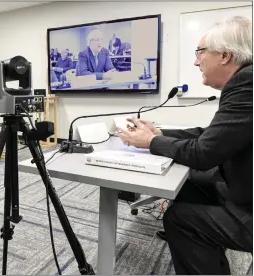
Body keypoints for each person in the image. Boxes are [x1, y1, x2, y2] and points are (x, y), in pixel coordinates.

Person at [116, 16, 252, 274]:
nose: (195, 61)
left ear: (224, 55)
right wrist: (160, 132)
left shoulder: (247, 84)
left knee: (179, 220)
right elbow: (210, 135)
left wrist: (150, 141)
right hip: (243, 188)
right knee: (189, 182)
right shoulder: (245, 81)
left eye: (200, 52)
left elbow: (202, 154)